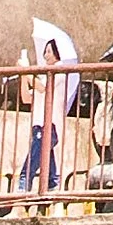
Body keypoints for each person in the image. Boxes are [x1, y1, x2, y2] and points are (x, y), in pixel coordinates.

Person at [18, 19, 80, 202]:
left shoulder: (60, 73)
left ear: (57, 54)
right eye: (45, 51)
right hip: (38, 125)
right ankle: (53, 187)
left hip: (49, 126)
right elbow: (26, 97)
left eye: (49, 51)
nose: (46, 55)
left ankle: (21, 195)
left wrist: (26, 69)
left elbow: (42, 88)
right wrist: (24, 75)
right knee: (48, 166)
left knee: (28, 169)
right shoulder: (45, 76)